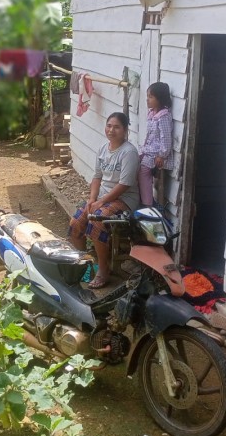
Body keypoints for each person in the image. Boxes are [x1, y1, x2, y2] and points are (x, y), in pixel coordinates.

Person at [68, 112, 140, 288]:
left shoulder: (129, 152)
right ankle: (84, 265)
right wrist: (92, 199)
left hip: (124, 199)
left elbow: (124, 184)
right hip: (102, 198)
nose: (111, 130)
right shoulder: (102, 149)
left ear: (125, 130)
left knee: (97, 224)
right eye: (109, 126)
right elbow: (97, 177)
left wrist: (100, 202)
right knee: (76, 223)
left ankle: (103, 269)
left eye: (116, 127)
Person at [138, 82, 174, 206]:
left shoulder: (163, 116)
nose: (147, 99)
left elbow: (166, 138)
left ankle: (147, 204)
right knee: (132, 162)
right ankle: (140, 199)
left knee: (143, 171)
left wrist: (162, 155)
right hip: (148, 150)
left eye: (151, 97)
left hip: (157, 154)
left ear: (160, 99)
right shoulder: (152, 113)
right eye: (147, 96)